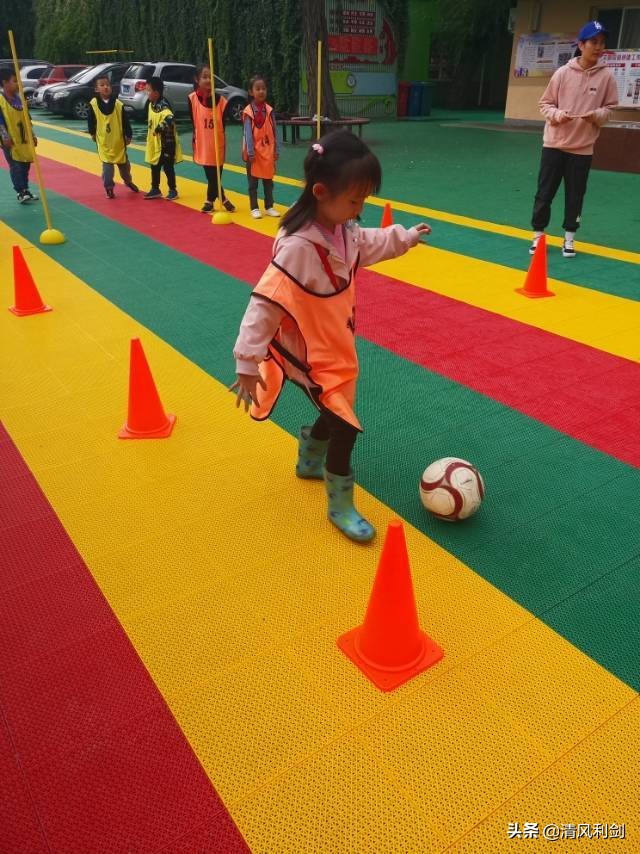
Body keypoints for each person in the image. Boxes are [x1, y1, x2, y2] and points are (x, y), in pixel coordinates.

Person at [231, 132, 431, 543]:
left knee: (334, 409)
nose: (359, 210)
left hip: (338, 347)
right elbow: (265, 304)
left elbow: (368, 242)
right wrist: (247, 362)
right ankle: (340, 502)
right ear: (321, 192)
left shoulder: (343, 229)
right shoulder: (298, 249)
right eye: (355, 201)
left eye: (364, 202)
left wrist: (405, 237)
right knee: (345, 424)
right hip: (309, 353)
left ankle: (308, 452)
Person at [529, 20, 618, 258]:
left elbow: (610, 109)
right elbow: (545, 103)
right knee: (545, 192)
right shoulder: (562, 73)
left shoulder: (606, 77)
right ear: (581, 44)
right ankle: (538, 235)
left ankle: (569, 239)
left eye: (602, 43)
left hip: (582, 148)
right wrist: (558, 115)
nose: (598, 47)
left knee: (575, 194)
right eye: (593, 42)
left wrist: (596, 116)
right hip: (554, 145)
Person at [188, 64, 235, 213]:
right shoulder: (192, 99)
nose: (208, 80)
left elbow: (224, 124)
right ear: (197, 79)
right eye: (204, 77)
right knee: (211, 175)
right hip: (203, 144)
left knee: (216, 175)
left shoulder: (221, 101)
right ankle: (219, 199)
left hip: (217, 143)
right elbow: (193, 121)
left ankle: (211, 200)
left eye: (210, 77)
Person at [88, 75, 139, 199]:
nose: (105, 87)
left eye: (107, 85)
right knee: (107, 170)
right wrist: (92, 133)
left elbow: (125, 121)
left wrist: (129, 134)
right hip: (104, 142)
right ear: (96, 89)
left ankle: (128, 181)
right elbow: (91, 120)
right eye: (102, 85)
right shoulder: (93, 104)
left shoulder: (118, 104)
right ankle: (109, 188)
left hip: (118, 142)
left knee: (125, 167)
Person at [242, 75, 280, 219]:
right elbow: (247, 133)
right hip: (254, 154)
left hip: (268, 152)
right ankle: (254, 207)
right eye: (257, 89)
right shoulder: (248, 111)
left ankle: (269, 206)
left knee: (268, 182)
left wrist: (276, 149)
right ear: (251, 92)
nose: (261, 91)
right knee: (253, 183)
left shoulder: (270, 110)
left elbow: (275, 131)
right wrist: (250, 152)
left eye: (263, 88)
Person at [0, 67, 38, 203]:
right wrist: (4, 137)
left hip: (23, 139)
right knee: (16, 166)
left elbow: (27, 119)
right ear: (4, 83)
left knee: (25, 164)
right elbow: (0, 121)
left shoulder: (19, 99)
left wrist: (32, 135)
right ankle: (20, 191)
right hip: (10, 141)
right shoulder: (1, 101)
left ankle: (25, 189)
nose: (18, 84)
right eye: (14, 81)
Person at [143, 76, 183, 200]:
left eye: (149, 91)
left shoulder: (163, 106)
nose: (146, 93)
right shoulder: (151, 104)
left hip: (167, 143)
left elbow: (170, 119)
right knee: (154, 165)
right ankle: (155, 188)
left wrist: (161, 126)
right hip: (156, 143)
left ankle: (173, 189)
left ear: (156, 93)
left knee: (167, 167)